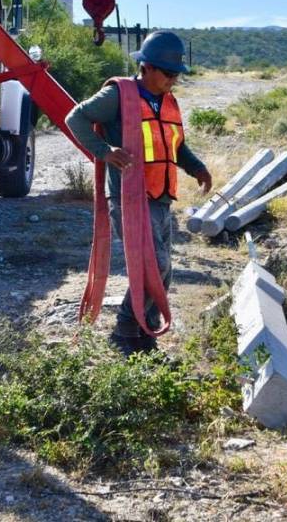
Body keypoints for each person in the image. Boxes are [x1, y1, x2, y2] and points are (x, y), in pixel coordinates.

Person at [65, 31, 212, 354]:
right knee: (153, 267)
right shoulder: (119, 95)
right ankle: (124, 329)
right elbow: (75, 117)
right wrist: (104, 151)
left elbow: (175, 145)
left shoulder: (169, 102)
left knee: (164, 270)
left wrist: (197, 168)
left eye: (176, 74)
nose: (173, 80)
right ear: (146, 67)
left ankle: (144, 337)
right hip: (130, 197)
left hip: (160, 197)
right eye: (168, 73)